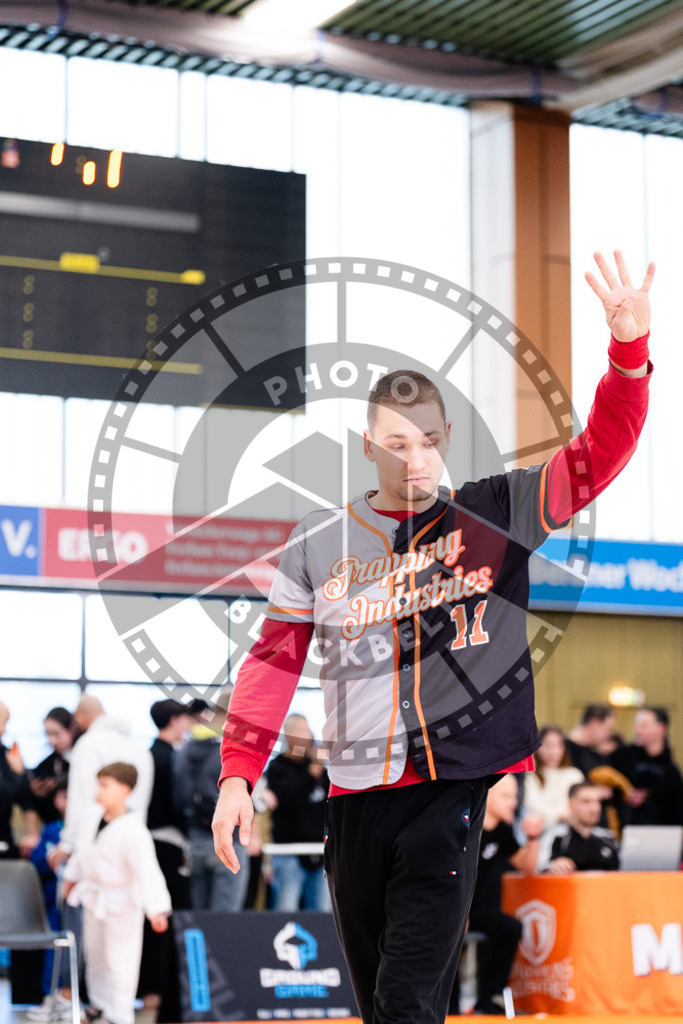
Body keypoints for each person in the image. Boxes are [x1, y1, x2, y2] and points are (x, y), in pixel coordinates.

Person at [213, 251, 655, 1024]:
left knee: (406, 1000)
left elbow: (599, 455)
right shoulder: (316, 543)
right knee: (383, 997)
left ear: (445, 436)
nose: (412, 458)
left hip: (448, 790)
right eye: (394, 443)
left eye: (425, 441)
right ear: (368, 446)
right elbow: (272, 661)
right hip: (351, 799)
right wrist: (235, 774)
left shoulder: (497, 511)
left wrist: (627, 354)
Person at [63, 763, 171, 1024]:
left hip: (123, 902)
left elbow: (148, 871)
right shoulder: (93, 816)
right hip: (94, 896)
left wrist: (156, 909)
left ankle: (120, 1015)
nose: (98, 791)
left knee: (120, 961)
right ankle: (98, 1006)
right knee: (95, 956)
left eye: (105, 785)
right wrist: (71, 878)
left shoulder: (135, 830)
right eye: (98, 784)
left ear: (124, 790)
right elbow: (82, 852)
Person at [467, 774, 542, 1016]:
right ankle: (448, 1005)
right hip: (453, 904)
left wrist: (533, 837)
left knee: (511, 928)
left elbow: (526, 866)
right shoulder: (467, 828)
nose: (513, 803)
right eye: (506, 797)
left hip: (480, 907)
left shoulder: (502, 829)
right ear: (487, 797)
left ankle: (490, 998)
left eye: (514, 797)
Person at [138, 699, 192, 1012]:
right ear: (174, 720)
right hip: (169, 847)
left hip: (147, 844)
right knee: (169, 918)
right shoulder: (174, 759)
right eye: (185, 720)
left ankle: (150, 993)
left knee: (150, 919)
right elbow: (180, 804)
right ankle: (165, 994)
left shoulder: (146, 756)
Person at [175, 690, 250, 911]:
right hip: (230, 840)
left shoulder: (187, 746)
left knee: (200, 917)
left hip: (195, 839)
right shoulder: (235, 746)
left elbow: (179, 796)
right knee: (225, 921)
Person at [57, 696, 154, 858]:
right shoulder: (140, 749)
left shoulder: (88, 744)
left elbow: (81, 798)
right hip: (134, 841)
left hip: (96, 843)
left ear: (79, 717)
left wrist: (67, 844)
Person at [265, 713, 331, 911]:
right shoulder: (278, 767)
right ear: (288, 734)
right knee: (287, 909)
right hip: (289, 852)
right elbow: (289, 800)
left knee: (323, 912)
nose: (308, 735)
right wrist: (311, 774)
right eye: (302, 730)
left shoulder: (318, 768)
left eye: (308, 729)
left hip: (320, 852)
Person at [26, 782, 71, 1023]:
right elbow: (37, 860)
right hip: (54, 900)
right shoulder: (52, 829)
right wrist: (51, 857)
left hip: (80, 899)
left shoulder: (87, 828)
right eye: (64, 796)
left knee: (79, 949)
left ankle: (72, 1000)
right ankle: (50, 997)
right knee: (53, 947)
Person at [608, 707, 683, 826]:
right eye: (637, 725)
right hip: (621, 829)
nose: (638, 730)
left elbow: (677, 811)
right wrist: (623, 793)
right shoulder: (620, 757)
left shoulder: (671, 771)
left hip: (659, 834)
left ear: (661, 728)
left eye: (644, 726)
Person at [22, 708, 81, 853]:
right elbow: (28, 797)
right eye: (47, 734)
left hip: (81, 830)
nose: (51, 740)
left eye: (56, 734)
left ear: (72, 729)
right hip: (54, 831)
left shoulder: (85, 757)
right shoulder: (46, 766)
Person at [537, 781, 620, 873]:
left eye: (598, 802)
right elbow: (539, 868)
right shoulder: (556, 836)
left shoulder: (609, 838)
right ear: (570, 805)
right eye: (586, 802)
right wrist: (553, 867)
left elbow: (625, 870)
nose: (595, 808)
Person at [522, 725, 584, 832]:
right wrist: (558, 816)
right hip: (538, 830)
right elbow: (532, 805)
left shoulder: (574, 775)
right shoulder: (530, 776)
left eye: (556, 746)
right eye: (547, 746)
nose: (552, 752)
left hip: (569, 830)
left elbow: (577, 804)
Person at [0, 700, 25, 859]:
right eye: (3, 722)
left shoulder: (5, 752)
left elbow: (22, 797)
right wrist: (18, 774)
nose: (4, 730)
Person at [566, 703, 616, 776]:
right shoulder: (563, 751)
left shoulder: (596, 755)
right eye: (607, 729)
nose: (609, 734)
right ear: (594, 723)